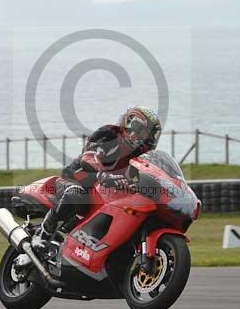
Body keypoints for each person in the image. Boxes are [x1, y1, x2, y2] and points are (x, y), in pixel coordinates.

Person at [33, 105, 162, 247]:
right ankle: (42, 234)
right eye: (145, 132)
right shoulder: (109, 134)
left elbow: (139, 176)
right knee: (76, 194)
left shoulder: (138, 156)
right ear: (132, 126)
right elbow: (88, 156)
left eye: (151, 134)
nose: (147, 137)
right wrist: (103, 173)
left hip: (103, 192)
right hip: (74, 180)